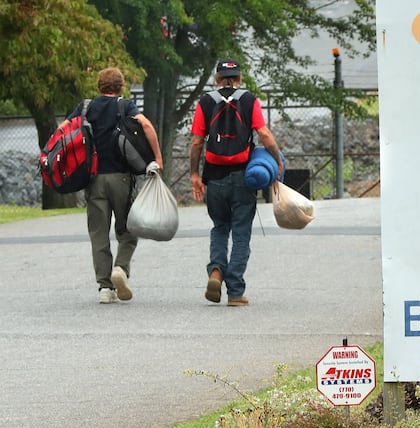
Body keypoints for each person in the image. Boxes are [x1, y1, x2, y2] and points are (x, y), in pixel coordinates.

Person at [59, 67, 164, 304]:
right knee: (128, 230)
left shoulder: (86, 107)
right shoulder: (124, 106)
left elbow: (63, 130)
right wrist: (157, 157)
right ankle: (121, 268)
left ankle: (104, 288)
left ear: (99, 86)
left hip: (94, 179)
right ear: (121, 86)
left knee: (99, 234)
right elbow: (145, 125)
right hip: (122, 178)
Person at [189, 58, 284, 306]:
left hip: (214, 176)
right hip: (243, 176)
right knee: (241, 233)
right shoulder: (250, 100)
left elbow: (197, 142)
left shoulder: (206, 101)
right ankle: (235, 292)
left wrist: (194, 175)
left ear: (217, 79)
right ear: (239, 78)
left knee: (220, 227)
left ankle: (216, 271)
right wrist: (278, 161)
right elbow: (263, 134)